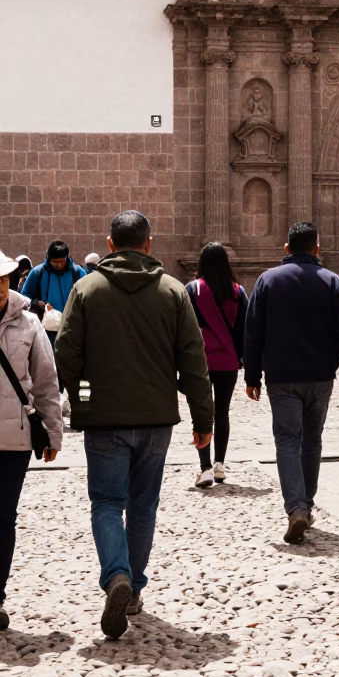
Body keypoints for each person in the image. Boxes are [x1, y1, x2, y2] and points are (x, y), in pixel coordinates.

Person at [55, 210, 213, 639]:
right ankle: (134, 586)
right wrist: (204, 420)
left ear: (110, 244)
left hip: (104, 420)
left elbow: (66, 356)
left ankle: (116, 576)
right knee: (143, 507)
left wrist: (84, 398)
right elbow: (193, 361)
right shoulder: (173, 292)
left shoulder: (86, 289)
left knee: (107, 503)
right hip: (157, 420)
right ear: (148, 243)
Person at [244, 221, 339, 544]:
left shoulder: (267, 281)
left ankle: (295, 506)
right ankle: (306, 504)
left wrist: (251, 375)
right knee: (312, 441)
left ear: (286, 249)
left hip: (281, 377)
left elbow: (253, 333)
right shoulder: (332, 282)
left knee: (286, 440)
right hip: (321, 376)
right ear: (317, 248)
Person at [0, 251, 62, 631]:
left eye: (4, 280)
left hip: (14, 440)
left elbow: (44, 380)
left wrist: (53, 432)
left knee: (4, 517)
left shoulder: (29, 324)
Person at [186, 243, 248, 488]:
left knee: (202, 413)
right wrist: (241, 357)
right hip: (227, 362)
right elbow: (244, 329)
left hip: (200, 362)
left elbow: (185, 329)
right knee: (222, 412)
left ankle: (204, 468)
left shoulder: (193, 290)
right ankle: (220, 464)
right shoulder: (238, 292)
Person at [21, 241, 87, 344]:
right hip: (45, 331)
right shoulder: (37, 273)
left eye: (62, 261)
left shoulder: (77, 272)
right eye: (55, 261)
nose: (59, 265)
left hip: (72, 329)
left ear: (67, 258)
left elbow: (87, 297)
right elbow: (24, 298)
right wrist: (36, 303)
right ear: (49, 258)